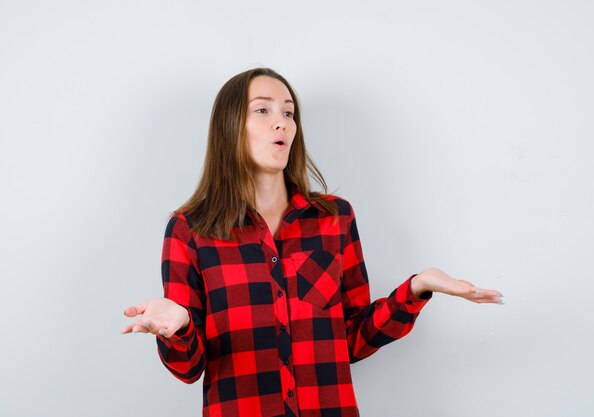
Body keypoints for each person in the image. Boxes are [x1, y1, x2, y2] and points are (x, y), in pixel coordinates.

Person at [121, 67, 503, 417]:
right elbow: (188, 369)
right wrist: (181, 326)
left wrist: (416, 288)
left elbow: (352, 339)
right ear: (230, 126)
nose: (281, 124)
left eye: (288, 113)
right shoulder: (190, 230)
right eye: (263, 111)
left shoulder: (335, 219)